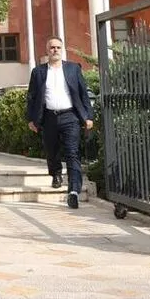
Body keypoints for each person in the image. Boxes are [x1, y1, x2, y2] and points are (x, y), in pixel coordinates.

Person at [25, 36, 94, 209]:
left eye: (58, 47)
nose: (55, 50)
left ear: (62, 49)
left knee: (72, 153)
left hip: (70, 116)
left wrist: (88, 116)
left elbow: (83, 93)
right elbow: (32, 96)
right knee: (51, 149)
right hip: (49, 117)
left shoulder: (73, 68)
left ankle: (73, 191)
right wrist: (31, 119)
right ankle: (56, 174)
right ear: (47, 50)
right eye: (52, 47)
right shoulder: (38, 72)